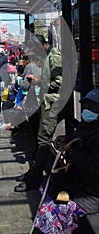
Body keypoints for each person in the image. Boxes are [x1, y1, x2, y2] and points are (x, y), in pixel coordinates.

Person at [34, 89, 99, 234]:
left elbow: (94, 164)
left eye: (93, 108)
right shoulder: (87, 125)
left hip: (91, 192)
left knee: (53, 213)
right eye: (86, 107)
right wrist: (66, 139)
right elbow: (79, 138)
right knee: (47, 188)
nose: (88, 110)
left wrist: (70, 151)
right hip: (78, 182)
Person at [15, 34, 62, 192]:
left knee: (43, 140)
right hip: (44, 101)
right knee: (38, 137)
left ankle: (35, 179)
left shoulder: (54, 57)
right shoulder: (46, 56)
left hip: (53, 103)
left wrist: (38, 81)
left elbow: (60, 82)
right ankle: (35, 173)